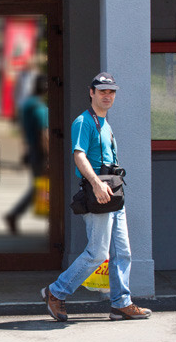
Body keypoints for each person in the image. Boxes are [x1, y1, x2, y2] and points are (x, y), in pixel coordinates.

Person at [41, 73, 151, 322]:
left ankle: (121, 303)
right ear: (91, 92)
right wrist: (96, 184)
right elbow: (79, 156)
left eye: (111, 92)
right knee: (98, 253)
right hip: (98, 194)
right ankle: (56, 292)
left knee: (123, 252)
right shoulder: (84, 122)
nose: (107, 95)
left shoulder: (106, 123)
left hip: (114, 195)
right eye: (102, 91)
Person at [5, 74, 49, 234]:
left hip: (32, 150)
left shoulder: (26, 105)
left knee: (39, 188)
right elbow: (44, 134)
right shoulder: (39, 108)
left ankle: (15, 215)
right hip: (40, 153)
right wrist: (49, 156)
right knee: (44, 188)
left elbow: (24, 130)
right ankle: (15, 215)